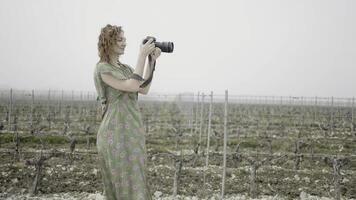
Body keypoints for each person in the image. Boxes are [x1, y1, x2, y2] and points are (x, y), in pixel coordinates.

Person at [93, 24, 160, 200]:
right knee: (121, 182)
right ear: (108, 43)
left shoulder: (127, 69)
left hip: (132, 130)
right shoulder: (102, 68)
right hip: (114, 133)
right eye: (120, 39)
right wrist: (141, 55)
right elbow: (130, 85)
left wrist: (151, 61)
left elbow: (142, 88)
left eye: (125, 39)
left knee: (137, 179)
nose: (125, 43)